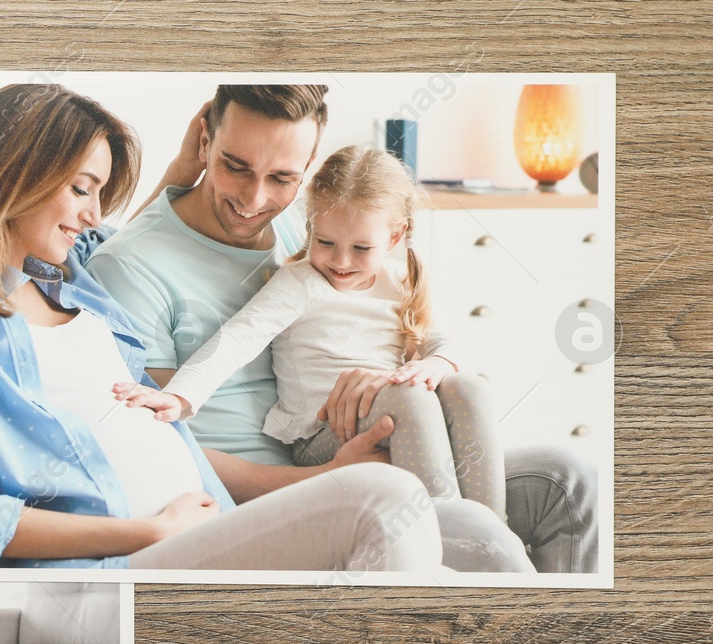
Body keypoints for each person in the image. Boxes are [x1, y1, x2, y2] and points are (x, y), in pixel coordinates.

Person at [0, 81, 445, 572]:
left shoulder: (69, 278)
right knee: (388, 498)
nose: (92, 214)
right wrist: (150, 531)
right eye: (82, 189)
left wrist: (188, 171)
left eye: (99, 195)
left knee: (472, 525)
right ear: (13, 174)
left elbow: (127, 239)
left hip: (211, 524)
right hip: (127, 557)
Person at [86, 83, 598, 573]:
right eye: (234, 166)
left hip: (380, 443)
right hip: (274, 491)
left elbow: (403, 321)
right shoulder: (131, 269)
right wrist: (326, 476)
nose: (254, 199)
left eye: (282, 178)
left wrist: (414, 371)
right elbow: (161, 440)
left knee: (566, 479)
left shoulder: (317, 229)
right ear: (205, 141)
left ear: (308, 171)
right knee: (471, 534)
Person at [116, 144, 507, 521]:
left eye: (360, 248)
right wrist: (180, 396)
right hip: (319, 435)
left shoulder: (400, 281)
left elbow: (441, 340)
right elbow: (237, 339)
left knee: (470, 387)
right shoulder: (301, 283)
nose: (340, 261)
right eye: (325, 242)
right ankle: (452, 540)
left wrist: (437, 363)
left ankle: (493, 529)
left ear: (393, 237)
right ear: (310, 227)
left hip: (389, 411)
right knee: (412, 399)